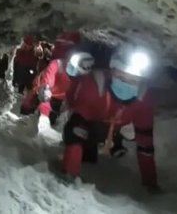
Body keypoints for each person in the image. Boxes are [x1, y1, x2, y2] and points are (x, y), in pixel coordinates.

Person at [59, 44, 160, 192]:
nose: (126, 82)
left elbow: (145, 144)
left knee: (108, 138)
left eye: (133, 80)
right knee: (76, 133)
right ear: (112, 72)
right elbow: (76, 117)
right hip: (90, 122)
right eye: (121, 76)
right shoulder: (95, 84)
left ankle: (113, 145)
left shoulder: (142, 99)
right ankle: (68, 175)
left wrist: (150, 183)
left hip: (113, 128)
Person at [20, 51, 95, 128]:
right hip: (39, 90)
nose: (74, 72)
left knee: (50, 123)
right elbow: (45, 88)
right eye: (73, 67)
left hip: (57, 99)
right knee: (25, 111)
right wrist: (44, 114)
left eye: (77, 72)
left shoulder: (80, 80)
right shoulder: (57, 64)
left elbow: (73, 98)